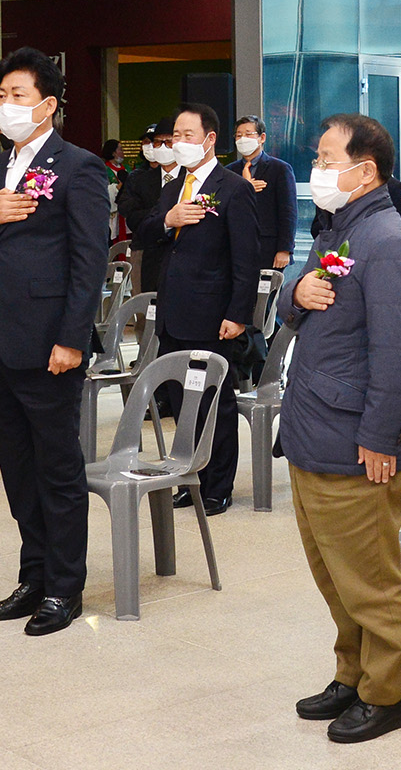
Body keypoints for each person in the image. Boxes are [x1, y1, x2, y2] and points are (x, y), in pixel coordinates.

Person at [278, 113, 401, 744]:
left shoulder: (389, 241)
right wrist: (296, 295)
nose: (318, 169)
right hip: (317, 426)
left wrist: (378, 437)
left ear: (364, 170)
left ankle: (385, 692)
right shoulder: (344, 227)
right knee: (333, 573)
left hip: (356, 441)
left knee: (369, 578)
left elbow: (398, 354)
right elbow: (306, 302)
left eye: (326, 158)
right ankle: (352, 674)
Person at [0, 48, 109, 636]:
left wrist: (72, 338)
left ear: (48, 104)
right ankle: (33, 574)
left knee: (57, 467)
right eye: (0, 96)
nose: (6, 106)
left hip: (49, 342)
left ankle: (65, 588)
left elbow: (88, 261)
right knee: (17, 466)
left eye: (18, 95)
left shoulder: (79, 167)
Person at [133, 102, 260, 515]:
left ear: (209, 140)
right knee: (181, 399)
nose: (178, 144)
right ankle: (190, 476)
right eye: (175, 137)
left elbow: (246, 259)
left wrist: (239, 314)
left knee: (214, 403)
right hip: (173, 310)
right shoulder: (173, 187)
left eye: (187, 136)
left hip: (213, 313)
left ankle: (218, 485)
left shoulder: (232, 189)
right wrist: (169, 218)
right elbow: (146, 233)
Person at [233, 115, 297, 273]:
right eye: (239, 135)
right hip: (236, 247)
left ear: (262, 138)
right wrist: (245, 189)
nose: (243, 139)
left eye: (248, 134)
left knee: (266, 295)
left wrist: (285, 249)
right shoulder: (230, 171)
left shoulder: (279, 169)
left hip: (268, 248)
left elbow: (288, 211)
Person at [118, 125, 176, 293]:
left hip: (175, 249)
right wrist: (161, 215)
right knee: (144, 306)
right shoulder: (137, 176)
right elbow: (128, 209)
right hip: (144, 246)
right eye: (152, 142)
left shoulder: (184, 176)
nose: (155, 147)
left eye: (167, 142)